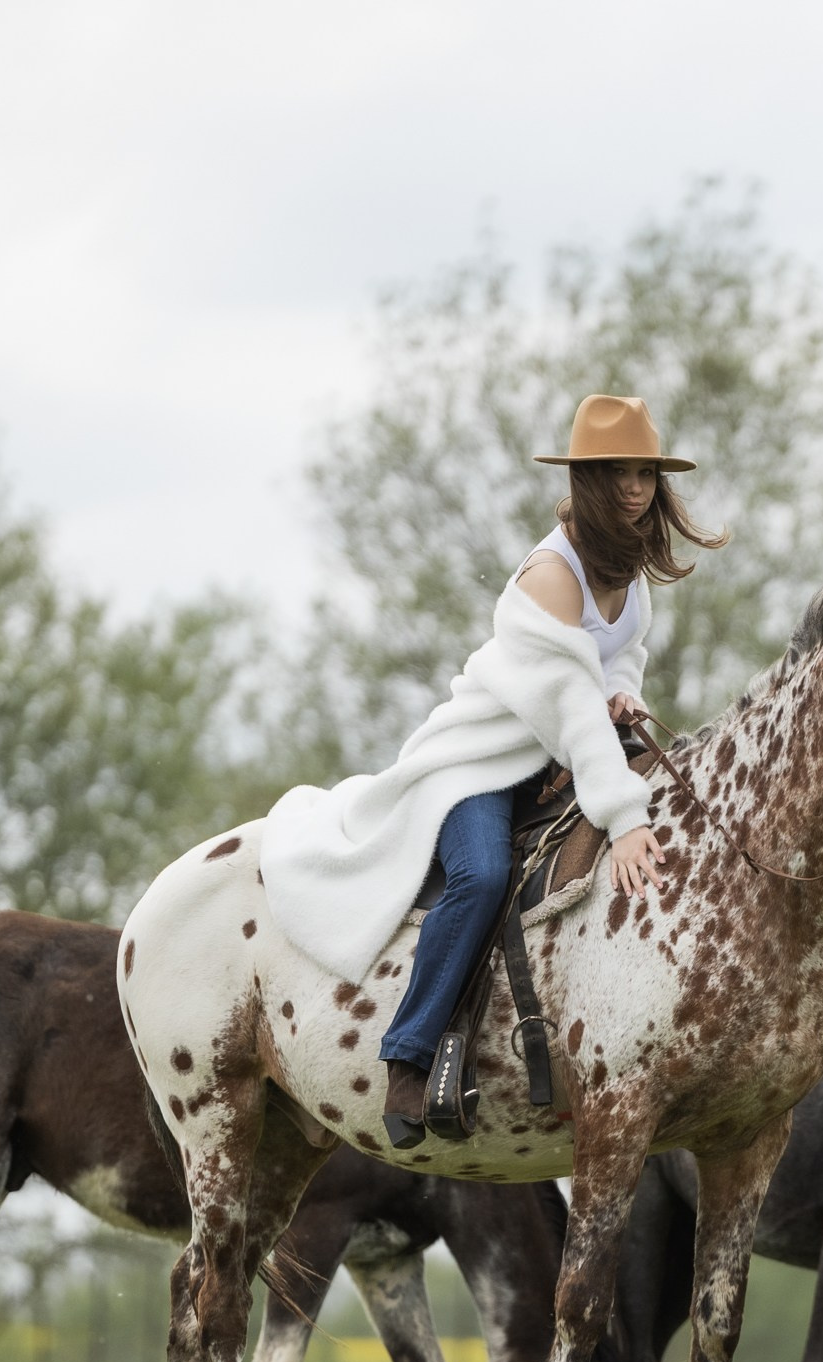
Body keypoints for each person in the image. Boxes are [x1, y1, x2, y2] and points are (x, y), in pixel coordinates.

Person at [259, 394, 727, 1147]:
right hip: (477, 767)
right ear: (585, 479)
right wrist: (625, 819)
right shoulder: (551, 575)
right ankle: (409, 1054)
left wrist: (624, 695)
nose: (635, 488)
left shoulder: (629, 567)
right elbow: (571, 705)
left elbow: (620, 658)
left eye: (645, 473)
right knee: (480, 876)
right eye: (618, 472)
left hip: (556, 758)